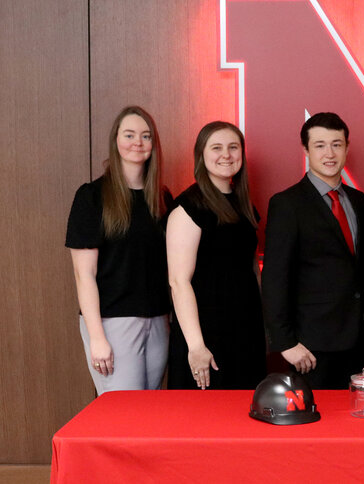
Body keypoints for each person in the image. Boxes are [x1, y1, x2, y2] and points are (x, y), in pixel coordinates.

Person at [262, 112, 364, 389]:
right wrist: (285, 342)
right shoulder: (286, 204)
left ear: (347, 147)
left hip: (357, 340)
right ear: (305, 150)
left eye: (337, 144)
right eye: (319, 145)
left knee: (353, 422)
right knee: (315, 425)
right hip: (310, 346)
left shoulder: (358, 201)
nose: (330, 153)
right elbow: (275, 277)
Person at [66, 106, 172, 394]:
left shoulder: (161, 199)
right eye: (129, 134)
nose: (138, 142)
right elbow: (83, 274)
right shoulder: (91, 196)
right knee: (123, 416)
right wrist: (97, 337)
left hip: (158, 320)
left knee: (152, 413)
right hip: (113, 322)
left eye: (145, 136)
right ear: (115, 141)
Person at [166, 121, 266, 390]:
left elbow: (251, 268)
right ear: (201, 155)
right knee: (205, 422)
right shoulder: (188, 207)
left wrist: (263, 326)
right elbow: (178, 281)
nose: (226, 155)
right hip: (206, 334)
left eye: (233, 147)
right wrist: (196, 346)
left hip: (245, 331)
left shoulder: (243, 204)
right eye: (217, 147)